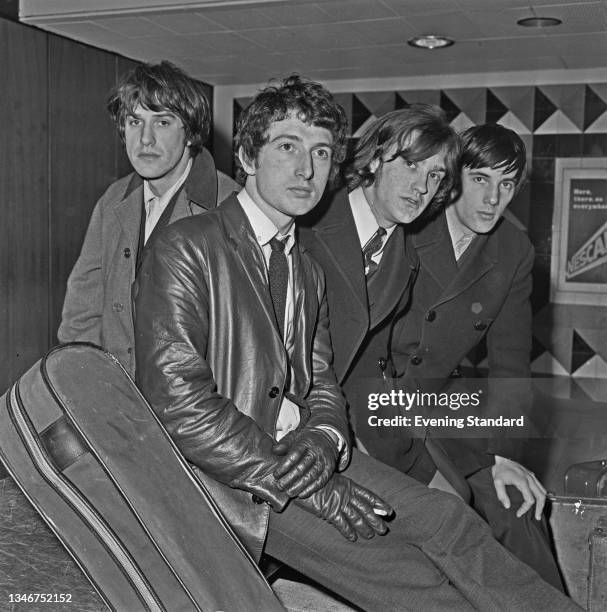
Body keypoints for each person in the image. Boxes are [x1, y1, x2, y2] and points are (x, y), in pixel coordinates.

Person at [135, 76, 579, 611]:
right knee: (415, 580)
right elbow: (178, 405)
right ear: (249, 155)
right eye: (287, 146)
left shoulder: (302, 266)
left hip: (307, 453)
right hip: (233, 477)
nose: (306, 168)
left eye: (320, 152)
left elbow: (322, 380)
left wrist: (324, 439)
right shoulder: (186, 245)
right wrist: (311, 484)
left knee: (451, 521)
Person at [390, 123, 563, 589]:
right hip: (376, 404)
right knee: (452, 512)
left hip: (443, 409)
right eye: (481, 179)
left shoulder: (513, 250)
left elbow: (511, 364)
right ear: (452, 177)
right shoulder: (408, 223)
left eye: (506, 184)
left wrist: (505, 455)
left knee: (517, 508)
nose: (494, 199)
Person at [299, 105, 468, 498]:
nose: (422, 188)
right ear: (375, 157)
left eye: (435, 174)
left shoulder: (406, 255)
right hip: (310, 423)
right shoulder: (308, 222)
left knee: (459, 501)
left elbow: (376, 357)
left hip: (374, 415)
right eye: (411, 165)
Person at [58, 60, 237, 375]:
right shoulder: (113, 200)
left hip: (193, 407)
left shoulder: (230, 207)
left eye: (163, 122)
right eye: (134, 122)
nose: (145, 139)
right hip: (116, 396)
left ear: (192, 133)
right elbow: (81, 313)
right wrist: (86, 385)